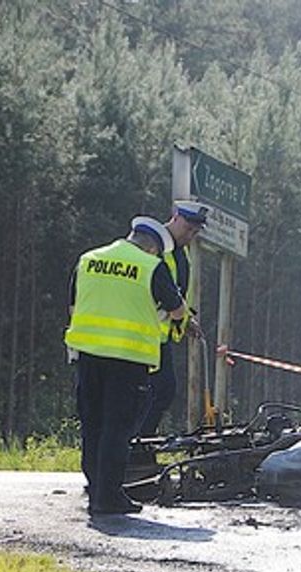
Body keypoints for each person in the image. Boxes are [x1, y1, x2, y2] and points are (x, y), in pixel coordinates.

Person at [66, 216, 187, 516]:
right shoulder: (151, 266)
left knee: (92, 424)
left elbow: (72, 305)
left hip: (88, 356)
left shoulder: (89, 259)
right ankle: (108, 497)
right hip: (128, 360)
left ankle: (96, 488)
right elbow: (176, 309)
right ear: (153, 248)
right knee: (117, 428)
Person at [135, 200, 208, 438]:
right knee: (157, 391)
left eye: (195, 232)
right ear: (175, 217)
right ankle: (136, 446)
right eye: (188, 228)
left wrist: (185, 320)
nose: (190, 235)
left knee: (161, 391)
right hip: (141, 332)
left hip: (159, 334)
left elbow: (175, 292)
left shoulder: (180, 253)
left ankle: (139, 443)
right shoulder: (152, 246)